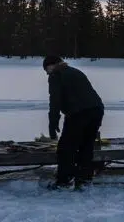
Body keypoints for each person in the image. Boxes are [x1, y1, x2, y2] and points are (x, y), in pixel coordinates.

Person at [43, 55, 105, 187]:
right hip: (96, 110)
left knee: (66, 148)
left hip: (79, 114)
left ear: (51, 66)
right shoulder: (75, 71)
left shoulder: (56, 75)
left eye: (46, 70)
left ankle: (63, 181)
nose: (47, 73)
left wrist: (53, 123)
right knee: (86, 146)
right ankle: (84, 180)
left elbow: (55, 101)